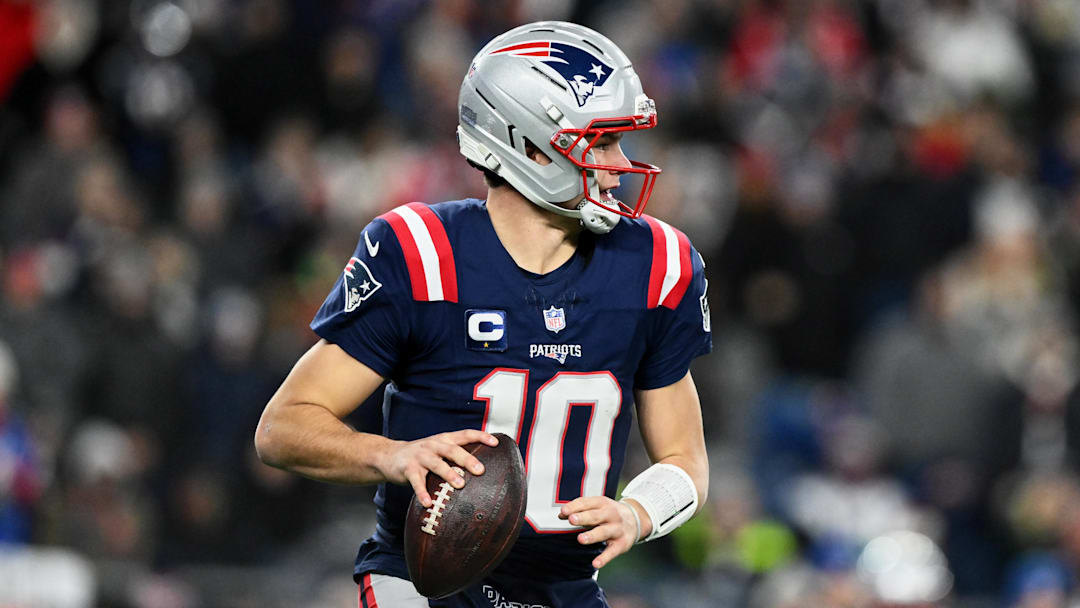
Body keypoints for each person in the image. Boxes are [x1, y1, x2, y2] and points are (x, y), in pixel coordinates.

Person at [255, 21, 711, 607]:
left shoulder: (657, 265)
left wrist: (638, 512)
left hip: (563, 592)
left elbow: (685, 459)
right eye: (600, 142)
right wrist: (393, 455)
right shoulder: (422, 253)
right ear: (528, 145)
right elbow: (283, 428)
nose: (620, 164)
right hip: (418, 583)